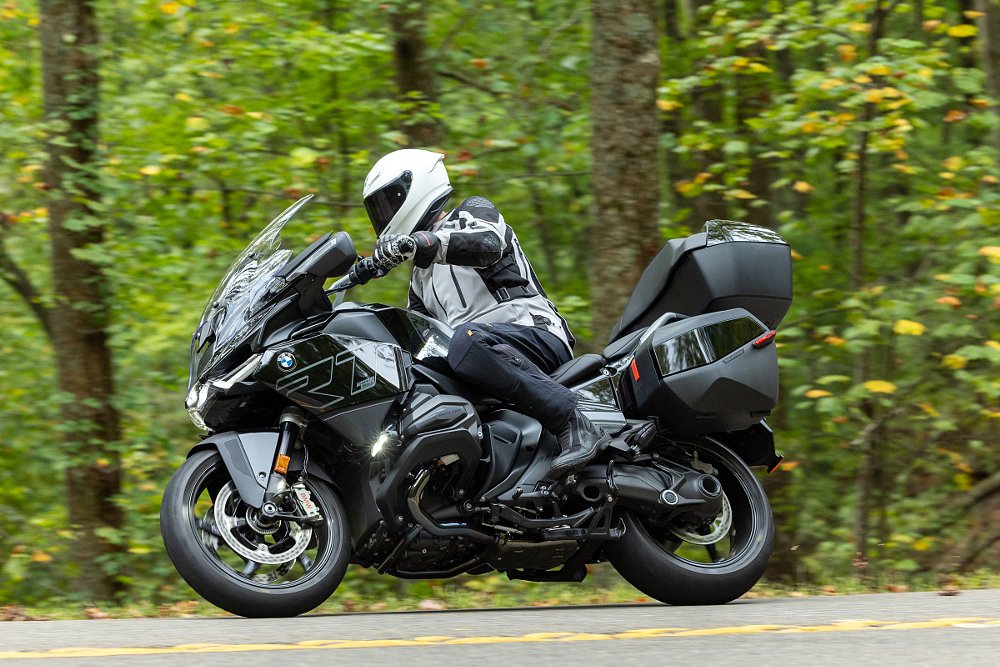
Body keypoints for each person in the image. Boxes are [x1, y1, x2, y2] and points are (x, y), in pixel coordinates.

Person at [356, 148, 609, 478]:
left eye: (390, 202)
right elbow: (422, 340)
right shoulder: (420, 279)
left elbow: (488, 243)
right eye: (378, 209)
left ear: (416, 187)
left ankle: (573, 420)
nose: (385, 214)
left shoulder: (473, 213)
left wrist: (424, 242)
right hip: (481, 360)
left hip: (534, 334)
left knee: (467, 340)